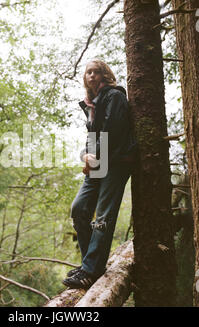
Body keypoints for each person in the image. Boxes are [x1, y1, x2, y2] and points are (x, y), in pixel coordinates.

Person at [62, 59, 136, 289]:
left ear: (105, 74)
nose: (91, 76)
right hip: (98, 162)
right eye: (88, 72)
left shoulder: (114, 96)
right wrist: (85, 155)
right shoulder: (91, 104)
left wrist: (94, 157)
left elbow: (110, 131)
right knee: (79, 209)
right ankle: (89, 264)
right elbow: (92, 137)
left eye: (95, 72)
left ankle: (90, 270)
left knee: (103, 217)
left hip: (116, 162)